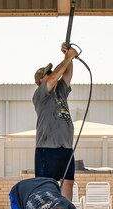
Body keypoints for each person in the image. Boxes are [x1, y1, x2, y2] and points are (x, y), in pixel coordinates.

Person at [33, 43, 82, 200]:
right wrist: (68, 57)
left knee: (68, 181)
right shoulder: (40, 94)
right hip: (47, 148)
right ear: (41, 80)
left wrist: (68, 56)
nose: (52, 74)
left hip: (65, 146)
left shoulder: (60, 91)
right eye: (48, 73)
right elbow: (56, 76)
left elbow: (67, 75)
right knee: (47, 184)